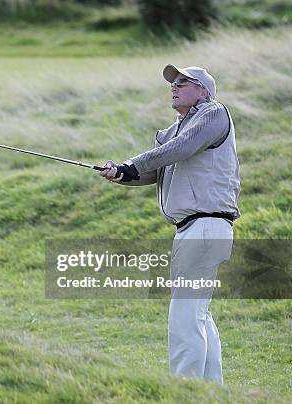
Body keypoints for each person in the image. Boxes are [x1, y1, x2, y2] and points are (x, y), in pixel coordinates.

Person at [99, 65, 240, 384]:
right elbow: (157, 170)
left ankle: (185, 389)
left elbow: (180, 149)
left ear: (204, 91)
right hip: (195, 229)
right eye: (172, 84)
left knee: (185, 316)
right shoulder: (177, 130)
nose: (174, 87)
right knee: (198, 315)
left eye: (183, 83)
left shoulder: (213, 113)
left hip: (205, 226)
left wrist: (132, 164)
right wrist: (122, 173)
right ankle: (210, 390)